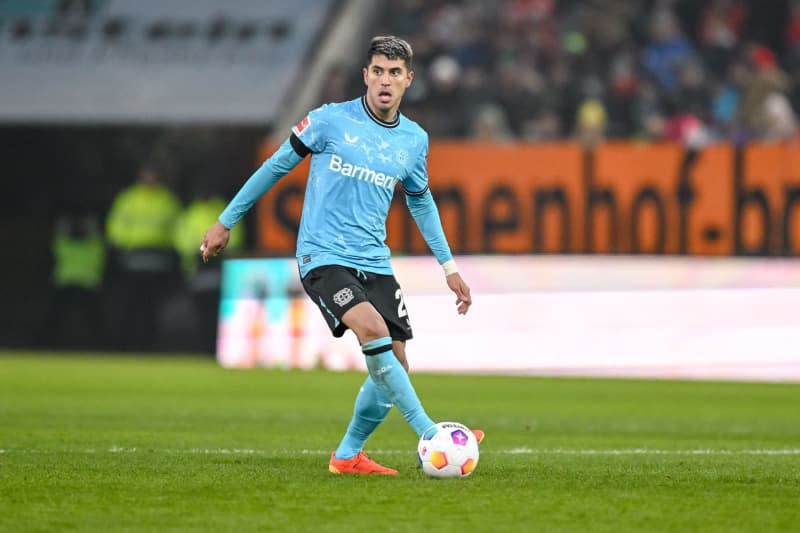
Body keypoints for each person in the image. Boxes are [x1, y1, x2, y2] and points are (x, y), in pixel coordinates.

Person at [200, 35, 482, 475]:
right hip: (322, 256)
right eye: (378, 71)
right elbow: (275, 165)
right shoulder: (329, 121)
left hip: (375, 261)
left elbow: (420, 201)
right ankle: (431, 432)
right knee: (372, 330)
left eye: (394, 73)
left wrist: (449, 267)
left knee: (396, 361)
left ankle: (348, 455)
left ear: (408, 80)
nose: (385, 81)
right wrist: (226, 221)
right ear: (365, 75)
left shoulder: (413, 140)